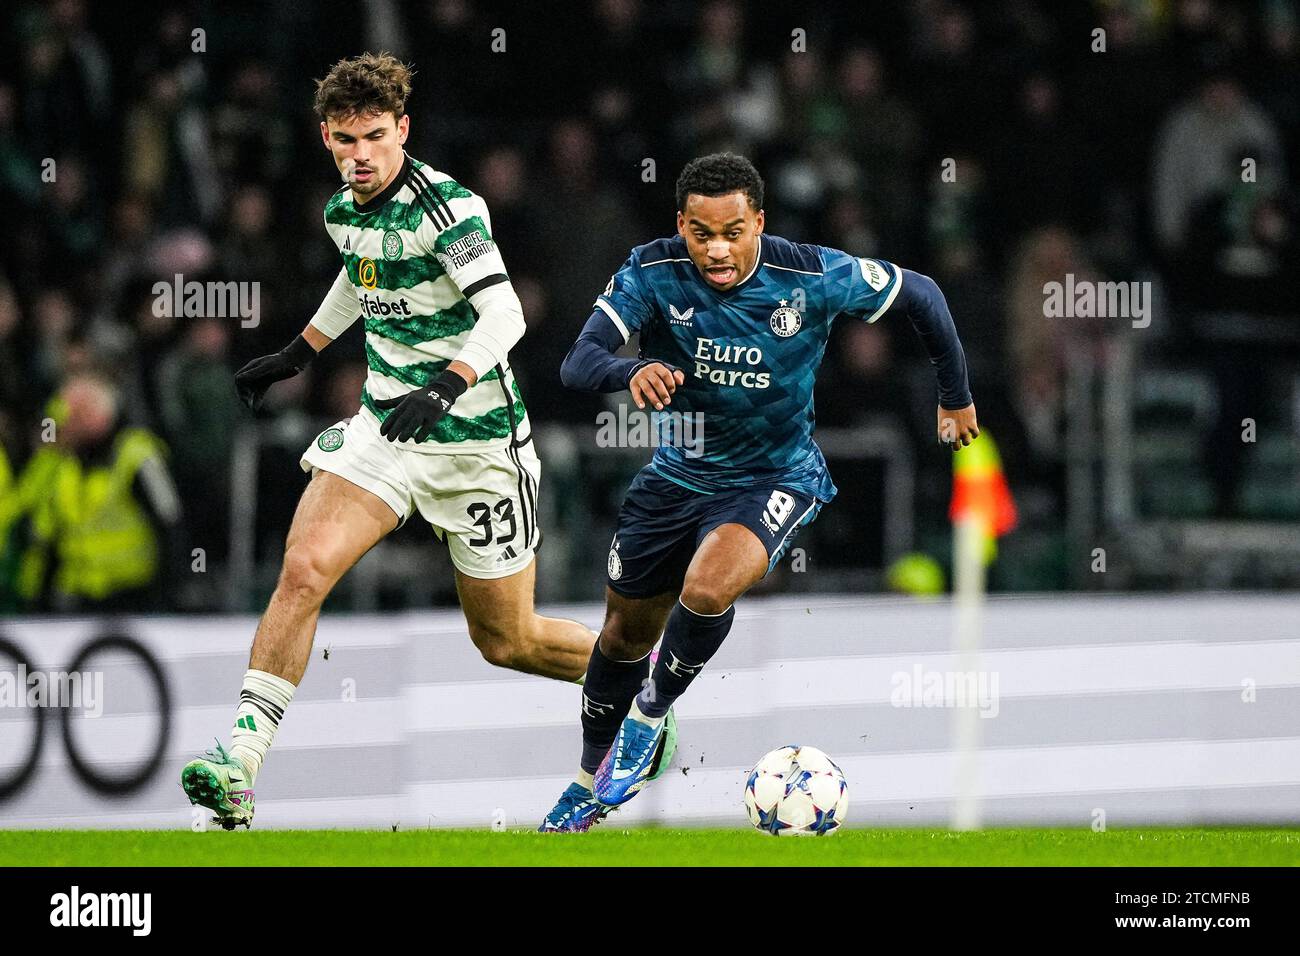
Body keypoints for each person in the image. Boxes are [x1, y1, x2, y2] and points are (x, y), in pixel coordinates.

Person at [180, 53, 674, 830]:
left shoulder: (450, 209)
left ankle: (639, 691)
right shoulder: (342, 210)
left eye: (376, 136)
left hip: (477, 443)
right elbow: (361, 273)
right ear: (326, 139)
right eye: (345, 140)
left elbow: (506, 313)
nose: (361, 155)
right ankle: (238, 765)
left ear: (402, 129)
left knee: (506, 641)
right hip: (387, 428)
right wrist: (301, 351)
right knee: (304, 567)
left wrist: (446, 385)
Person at [540, 153, 977, 831]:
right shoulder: (652, 270)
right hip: (675, 478)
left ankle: (649, 720)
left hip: (773, 475)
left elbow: (921, 292)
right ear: (681, 225)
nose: (717, 250)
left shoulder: (810, 273)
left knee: (709, 586)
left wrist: (955, 398)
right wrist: (630, 370)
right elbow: (577, 361)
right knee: (621, 639)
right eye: (701, 233)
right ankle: (586, 778)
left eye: (733, 232)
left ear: (759, 223)